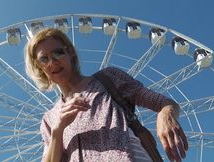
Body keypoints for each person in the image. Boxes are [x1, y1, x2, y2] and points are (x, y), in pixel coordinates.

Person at [24, 28, 188, 162]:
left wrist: (165, 114)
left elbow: (164, 103)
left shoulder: (108, 78)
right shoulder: (50, 119)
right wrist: (58, 129)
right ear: (39, 68)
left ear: (70, 53)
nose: (52, 62)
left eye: (58, 53)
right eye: (43, 59)